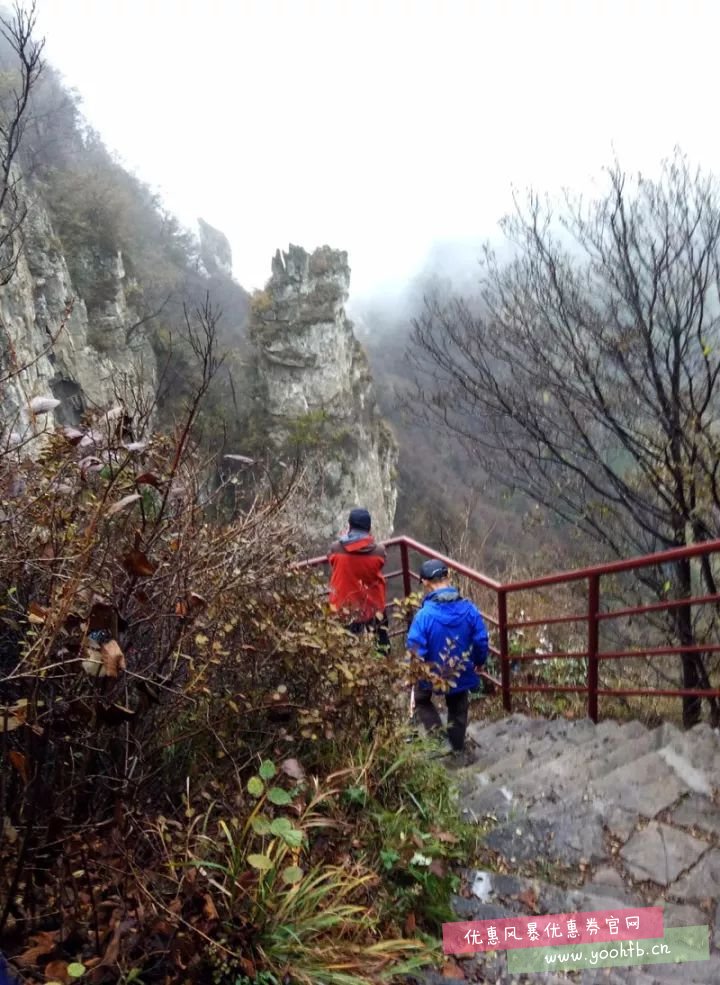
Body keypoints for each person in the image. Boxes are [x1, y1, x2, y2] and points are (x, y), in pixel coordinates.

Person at [407, 557, 489, 761]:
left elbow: (415, 649)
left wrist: (415, 675)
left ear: (425, 582)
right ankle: (457, 749)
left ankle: (439, 739)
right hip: (459, 671)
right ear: (448, 576)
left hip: (431, 672)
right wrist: (479, 661)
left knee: (421, 699)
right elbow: (481, 639)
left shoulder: (424, 616)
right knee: (458, 706)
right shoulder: (469, 609)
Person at [328, 508, 389, 652]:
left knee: (345, 652)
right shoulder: (379, 552)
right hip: (372, 609)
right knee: (381, 648)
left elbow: (331, 559)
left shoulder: (336, 548)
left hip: (343, 610)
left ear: (349, 526)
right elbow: (381, 561)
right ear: (369, 528)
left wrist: (344, 539)